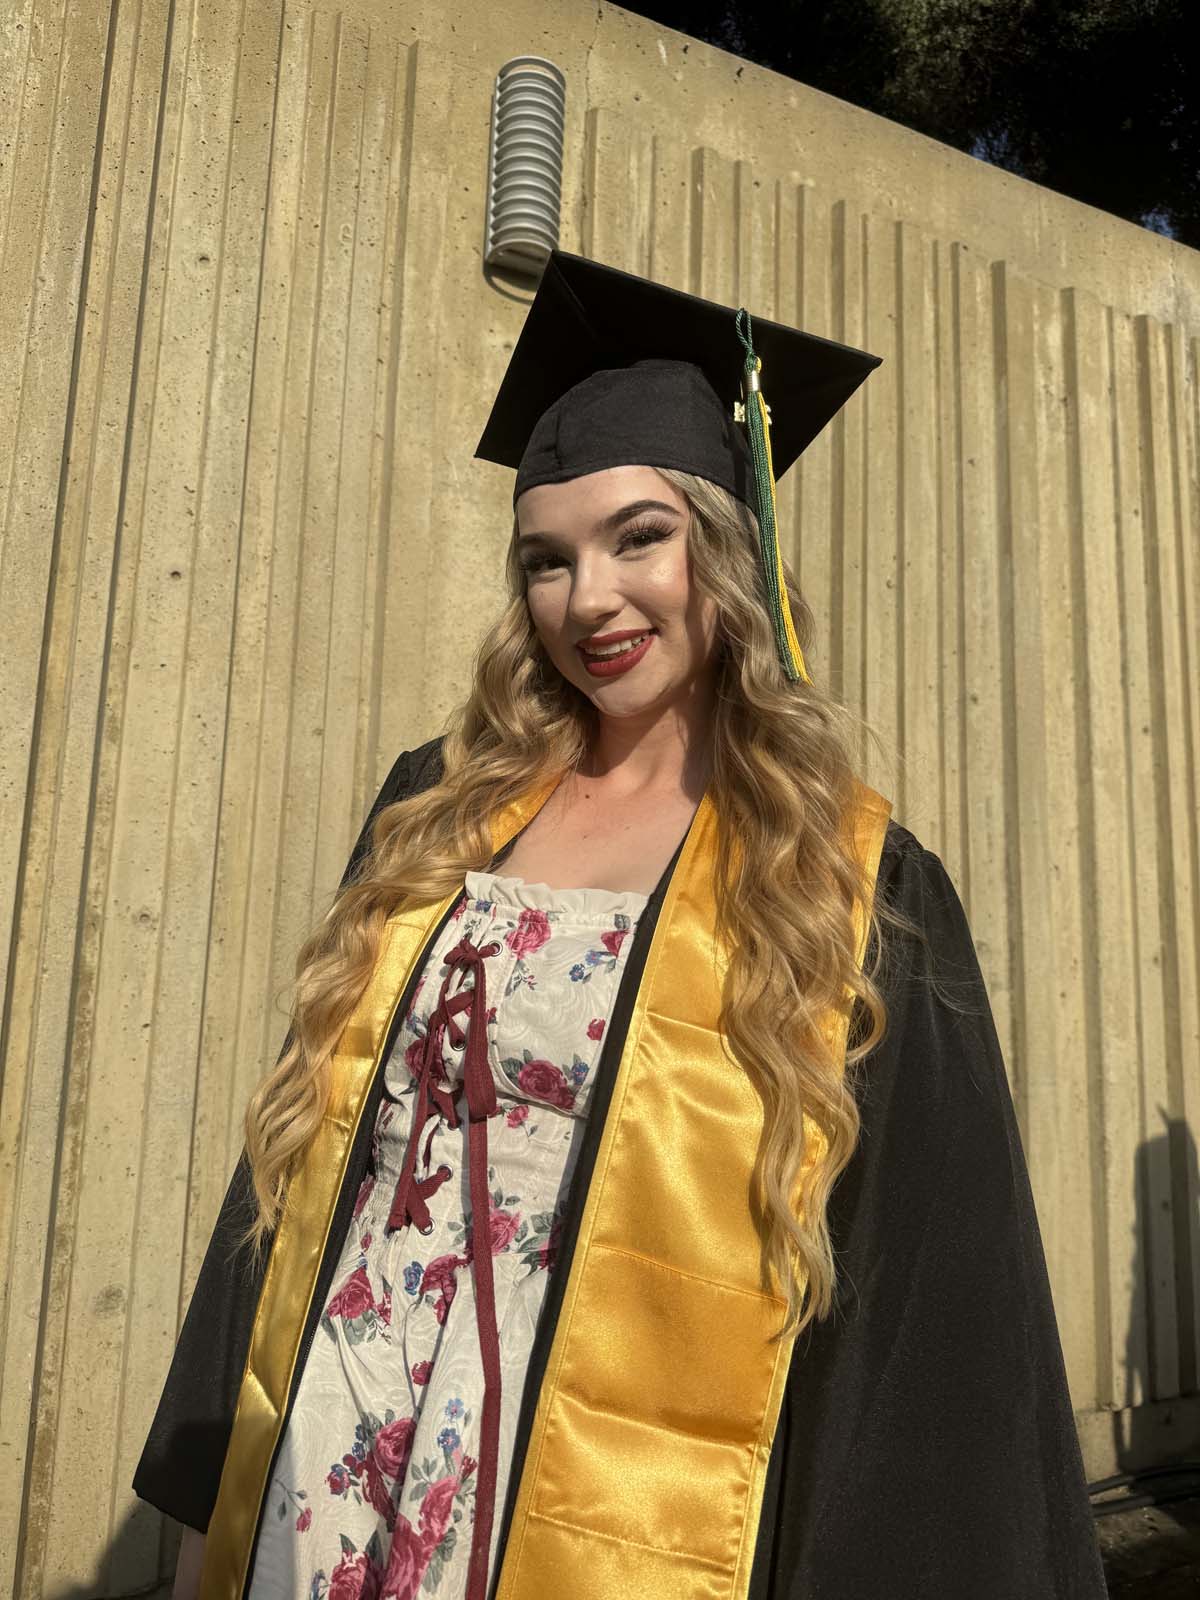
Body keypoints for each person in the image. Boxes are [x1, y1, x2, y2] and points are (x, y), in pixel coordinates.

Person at [134, 251, 1107, 1600]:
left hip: (613, 1508)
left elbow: (931, 1311)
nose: (587, 598)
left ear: (726, 546)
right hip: (339, 1459)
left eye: (637, 537)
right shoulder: (437, 809)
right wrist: (207, 1510)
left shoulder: (842, 882)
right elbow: (304, 1155)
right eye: (547, 559)